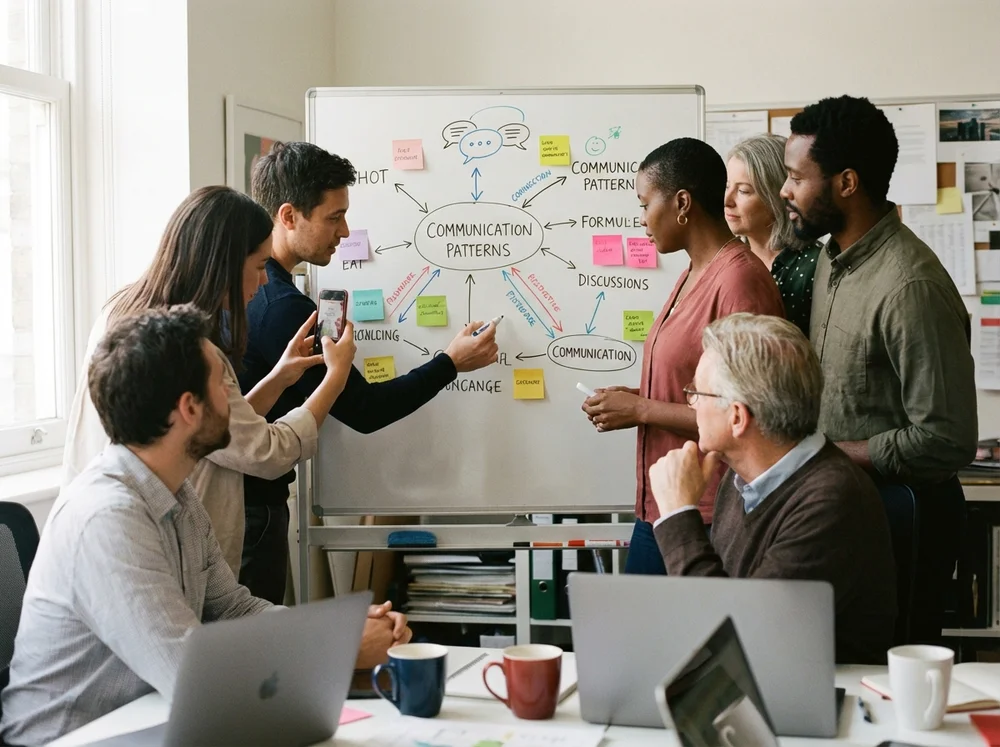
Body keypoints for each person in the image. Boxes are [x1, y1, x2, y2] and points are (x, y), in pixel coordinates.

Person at [0, 307, 410, 747]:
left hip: (149, 723)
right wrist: (341, 649)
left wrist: (337, 631)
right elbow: (189, 676)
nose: (235, 401)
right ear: (189, 408)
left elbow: (232, 608)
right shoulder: (107, 518)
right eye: (224, 385)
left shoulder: (177, 491)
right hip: (76, 738)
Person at [239, 142, 499, 603]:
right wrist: (451, 362)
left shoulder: (270, 294)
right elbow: (365, 410)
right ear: (288, 215)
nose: (344, 231)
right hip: (254, 511)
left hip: (253, 504)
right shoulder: (281, 306)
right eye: (333, 217)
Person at [63, 186, 356, 574]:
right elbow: (265, 451)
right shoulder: (185, 348)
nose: (265, 281)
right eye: (257, 267)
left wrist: (280, 377)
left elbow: (217, 428)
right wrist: (335, 378)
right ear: (224, 265)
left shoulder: (123, 311)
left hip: (110, 528)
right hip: (151, 548)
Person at [781, 94, 978, 645]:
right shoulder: (827, 259)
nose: (784, 191)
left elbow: (947, 438)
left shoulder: (910, 286)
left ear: (846, 183)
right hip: (840, 510)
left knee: (888, 679)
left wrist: (830, 455)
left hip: (903, 519)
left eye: (797, 177)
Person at [581, 138, 785, 575]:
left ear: (682, 203)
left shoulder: (739, 282)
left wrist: (641, 408)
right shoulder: (694, 270)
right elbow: (698, 389)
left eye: (645, 203)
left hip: (708, 513)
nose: (642, 221)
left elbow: (747, 415)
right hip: (663, 503)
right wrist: (636, 398)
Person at [649, 313, 896, 664]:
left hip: (823, 698)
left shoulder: (833, 499)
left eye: (697, 393)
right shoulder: (740, 477)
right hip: (750, 686)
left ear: (737, 417)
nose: (691, 404)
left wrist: (678, 517)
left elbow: (741, 638)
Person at [724, 134, 821, 335]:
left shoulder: (815, 265)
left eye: (743, 191)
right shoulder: (728, 260)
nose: (727, 200)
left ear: (777, 197)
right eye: (726, 186)